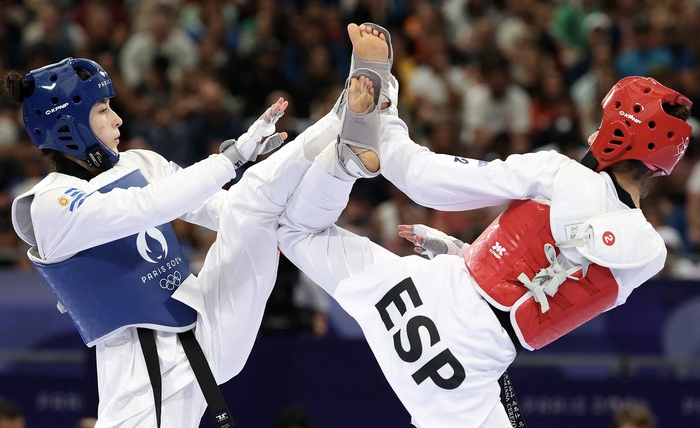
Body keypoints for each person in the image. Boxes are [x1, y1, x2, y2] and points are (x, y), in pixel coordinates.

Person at [277, 23, 693, 428]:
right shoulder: (648, 254)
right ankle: (351, 152)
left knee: (295, 231)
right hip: (455, 373)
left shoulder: (555, 171)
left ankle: (350, 153)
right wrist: (467, 251)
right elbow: (538, 298)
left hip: (414, 293)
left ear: (615, 133)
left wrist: (386, 115)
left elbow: (422, 180)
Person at [4, 55, 377, 427]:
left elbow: (224, 209)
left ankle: (341, 128)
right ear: (67, 124)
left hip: (205, 320)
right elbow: (144, 207)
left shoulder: (139, 163)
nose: (118, 119)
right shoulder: (50, 204)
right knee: (253, 200)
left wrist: (257, 173)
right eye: (102, 109)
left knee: (253, 204)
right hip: (143, 370)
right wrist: (231, 159)